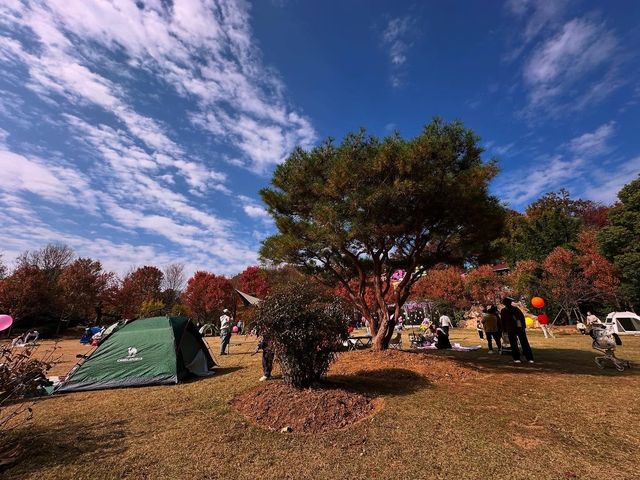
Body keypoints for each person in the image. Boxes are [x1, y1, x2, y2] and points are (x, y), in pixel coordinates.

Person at [500, 297, 534, 364]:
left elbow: (503, 321)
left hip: (510, 329)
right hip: (520, 328)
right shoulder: (516, 309)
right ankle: (530, 358)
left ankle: (516, 358)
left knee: (513, 344)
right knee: (524, 343)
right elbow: (522, 318)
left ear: (504, 303)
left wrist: (503, 329)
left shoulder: (503, 310)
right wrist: (523, 326)